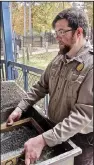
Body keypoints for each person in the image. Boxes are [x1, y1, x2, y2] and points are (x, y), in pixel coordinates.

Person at [7, 8, 93, 165]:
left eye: (61, 32)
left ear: (78, 32)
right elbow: (41, 86)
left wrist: (42, 140)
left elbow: (82, 115)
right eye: (56, 32)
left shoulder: (91, 66)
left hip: (80, 141)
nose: (57, 37)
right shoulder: (59, 59)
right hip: (53, 131)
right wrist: (20, 107)